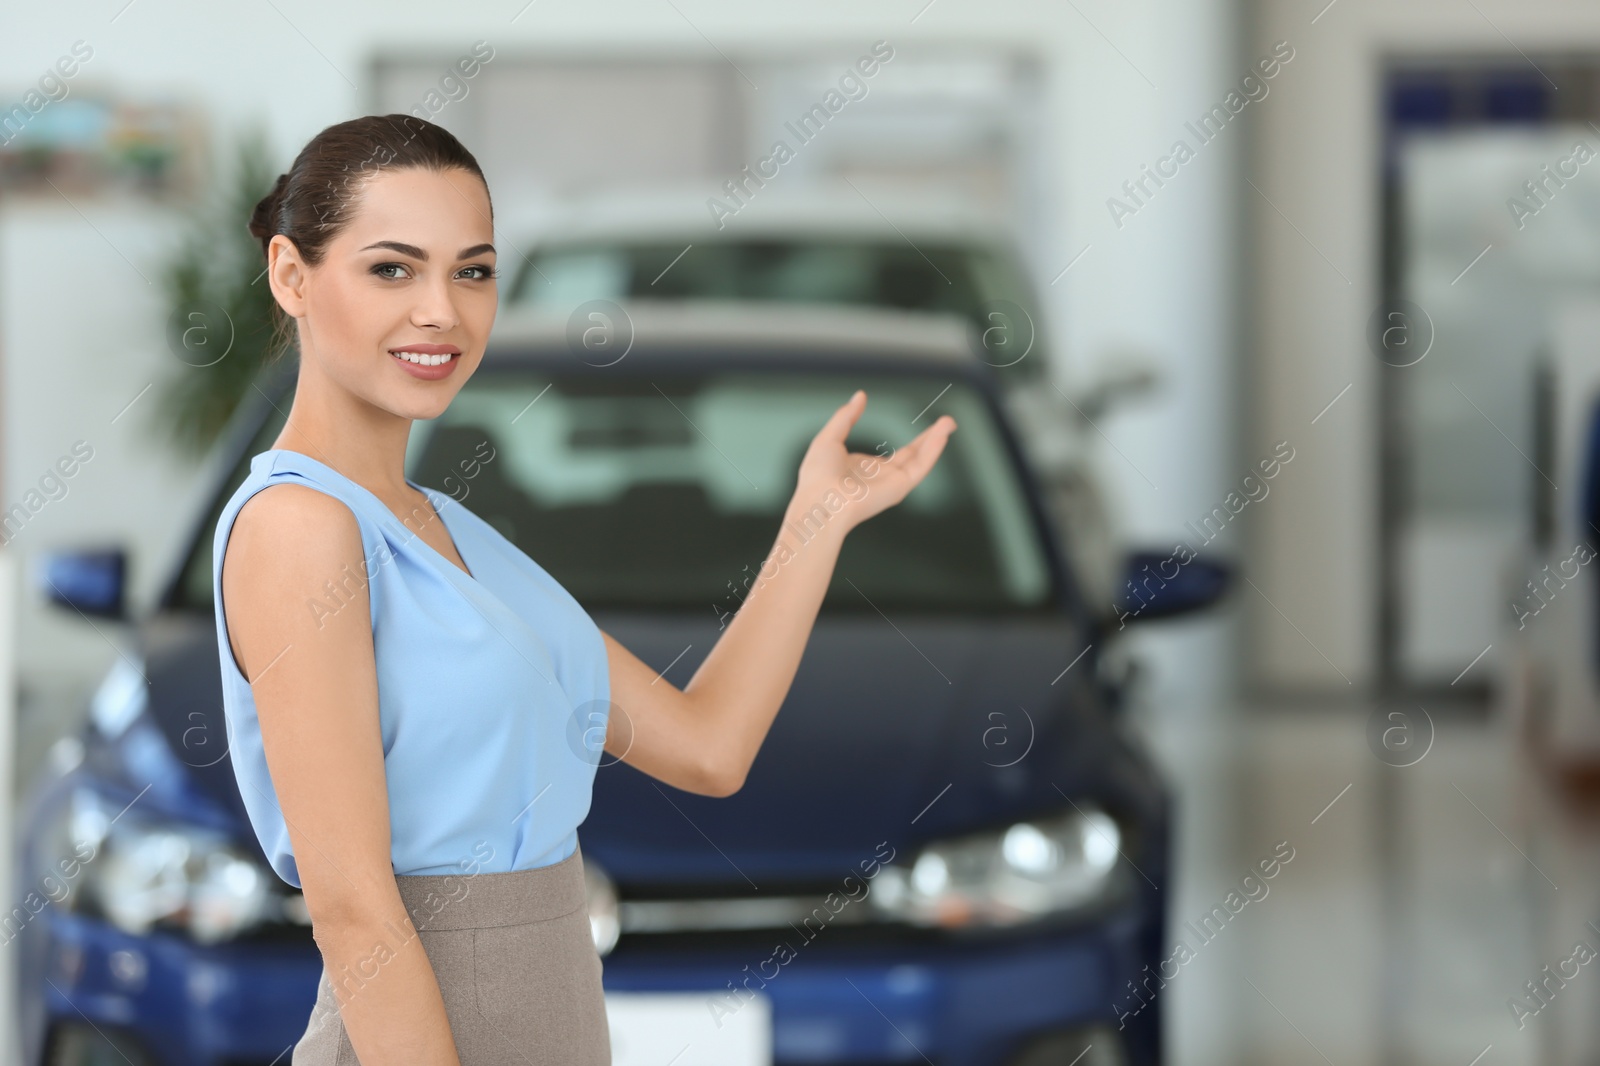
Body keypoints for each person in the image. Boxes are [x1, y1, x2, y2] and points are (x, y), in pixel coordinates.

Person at [211, 113, 957, 1065]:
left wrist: (817, 521)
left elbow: (708, 749)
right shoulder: (299, 528)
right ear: (292, 274)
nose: (441, 309)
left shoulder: (449, 530)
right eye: (392, 268)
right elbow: (355, 912)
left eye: (472, 270)